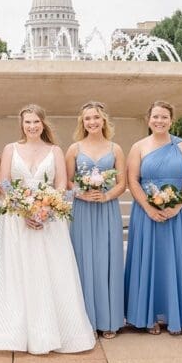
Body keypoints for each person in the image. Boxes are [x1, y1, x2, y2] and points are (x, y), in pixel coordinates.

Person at [0, 104, 95, 354]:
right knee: (17, 273)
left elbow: (61, 183)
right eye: (27, 122)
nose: (32, 126)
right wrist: (25, 209)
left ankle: (52, 330)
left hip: (49, 221)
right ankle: (18, 330)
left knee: (50, 272)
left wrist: (46, 209)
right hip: (15, 220)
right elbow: (4, 182)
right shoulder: (11, 149)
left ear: (43, 123)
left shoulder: (55, 150)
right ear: (22, 125)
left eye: (36, 122)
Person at [123, 101, 182, 335]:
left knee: (175, 260)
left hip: (179, 213)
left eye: (164, 117)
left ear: (171, 120)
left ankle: (177, 314)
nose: (159, 121)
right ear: (148, 120)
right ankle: (149, 316)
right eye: (155, 117)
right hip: (147, 213)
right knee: (150, 260)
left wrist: (177, 205)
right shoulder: (138, 147)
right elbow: (132, 180)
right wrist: (148, 208)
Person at [65, 101, 126, 339]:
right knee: (83, 259)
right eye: (87, 118)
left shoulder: (115, 149)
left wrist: (107, 195)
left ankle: (109, 319)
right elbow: (67, 182)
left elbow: (123, 183)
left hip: (107, 209)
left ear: (103, 120)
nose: (92, 122)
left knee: (107, 259)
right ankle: (86, 319)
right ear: (83, 122)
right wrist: (81, 193)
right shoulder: (74, 149)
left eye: (96, 118)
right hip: (82, 210)